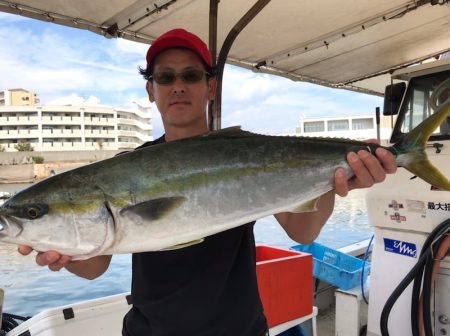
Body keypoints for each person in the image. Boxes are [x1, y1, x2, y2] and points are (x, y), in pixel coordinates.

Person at [19, 28, 397, 335]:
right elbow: (94, 266)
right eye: (165, 77)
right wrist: (62, 252)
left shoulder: (245, 152)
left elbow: (302, 229)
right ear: (151, 91)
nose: (178, 85)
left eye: (191, 75)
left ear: (210, 87)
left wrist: (333, 181)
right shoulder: (125, 169)